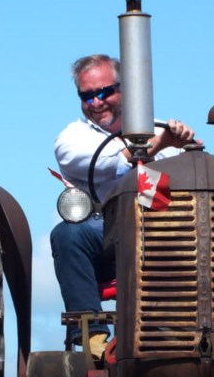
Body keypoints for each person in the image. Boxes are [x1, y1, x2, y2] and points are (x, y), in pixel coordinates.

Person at [51, 54, 200, 359]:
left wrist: (187, 146)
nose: (97, 102)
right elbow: (119, 161)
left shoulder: (163, 129)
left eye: (105, 92)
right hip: (107, 240)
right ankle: (93, 338)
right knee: (68, 234)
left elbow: (194, 176)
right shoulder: (71, 140)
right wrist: (161, 145)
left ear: (126, 90)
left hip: (164, 236)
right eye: (87, 95)